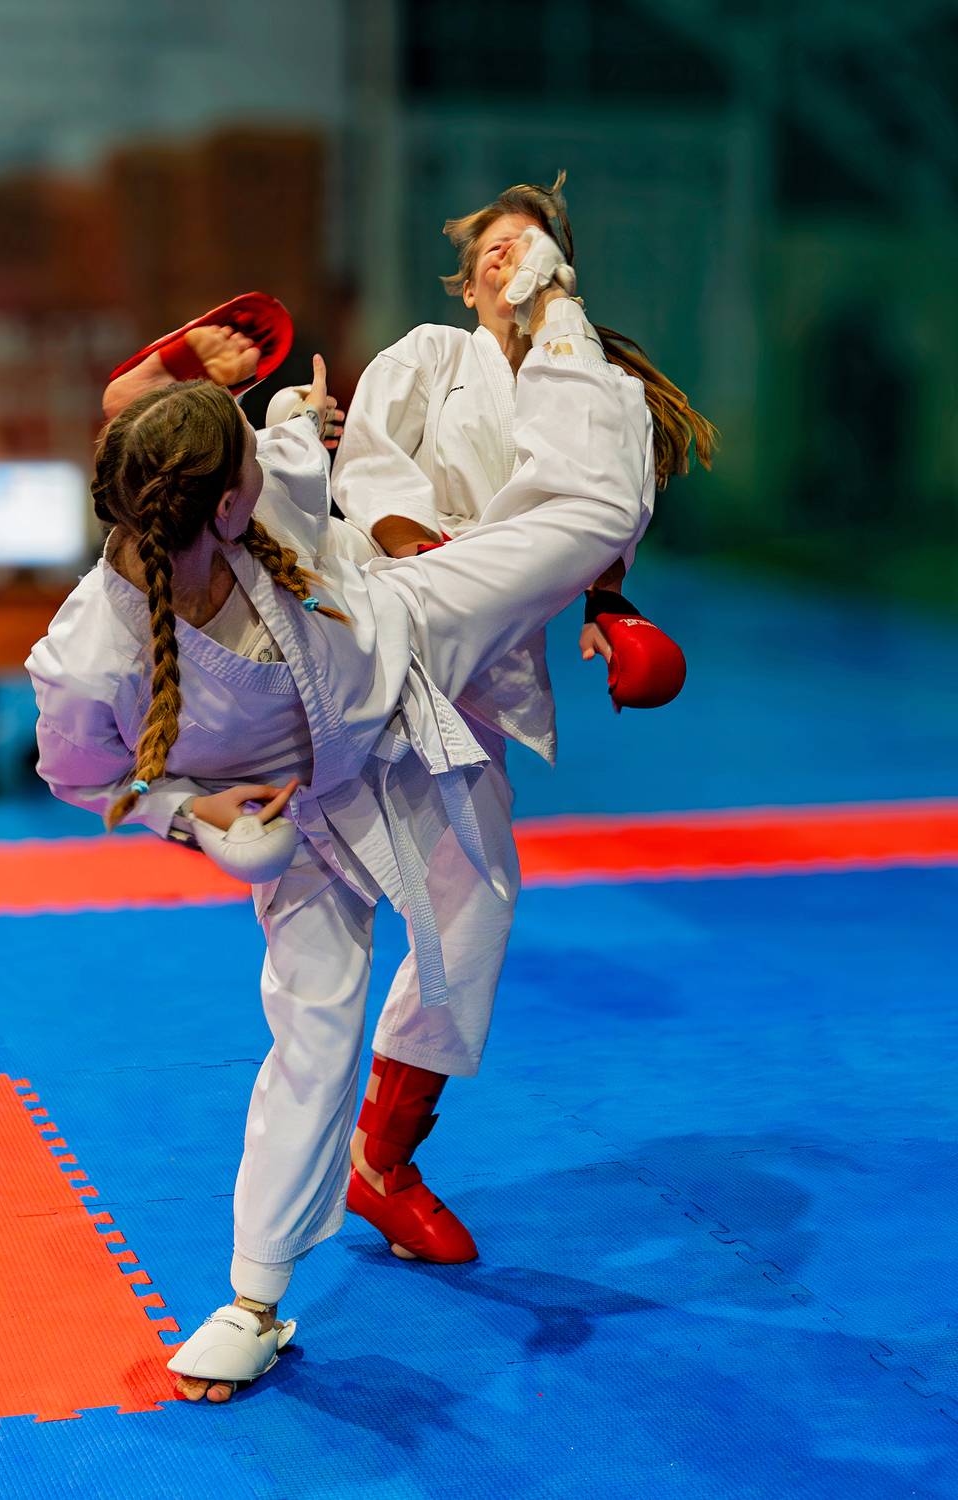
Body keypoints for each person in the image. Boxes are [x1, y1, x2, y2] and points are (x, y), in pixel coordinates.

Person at [26, 256, 652, 1402]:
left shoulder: (259, 491)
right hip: (298, 819)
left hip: (401, 641)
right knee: (313, 1034)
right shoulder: (87, 657)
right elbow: (81, 779)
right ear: (225, 505)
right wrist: (192, 811)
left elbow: (284, 457)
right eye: (249, 459)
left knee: (594, 515)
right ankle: (252, 1300)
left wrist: (293, 418)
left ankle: (560, 314)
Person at [330, 175, 716, 1265]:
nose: (507, 257)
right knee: (315, 887)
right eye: (492, 250)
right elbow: (371, 466)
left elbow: (599, 502)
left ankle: (381, 1157)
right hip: (395, 612)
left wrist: (609, 606)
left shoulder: (593, 384)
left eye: (528, 246)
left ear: (561, 272)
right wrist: (420, 549)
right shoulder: (428, 357)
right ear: (466, 285)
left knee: (474, 902)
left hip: (478, 671)